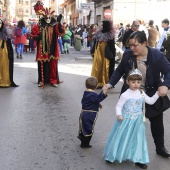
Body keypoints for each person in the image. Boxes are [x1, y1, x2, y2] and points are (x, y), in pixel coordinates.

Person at [105, 31, 170, 158]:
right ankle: (128, 152)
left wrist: (165, 85)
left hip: (151, 93)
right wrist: (110, 84)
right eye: (130, 45)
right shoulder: (128, 55)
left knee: (157, 122)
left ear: (144, 43)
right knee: (131, 126)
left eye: (135, 45)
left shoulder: (157, 56)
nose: (131, 48)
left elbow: (168, 72)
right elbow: (119, 71)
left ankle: (160, 147)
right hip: (131, 95)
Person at [104, 69, 160, 169]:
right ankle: (112, 155)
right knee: (121, 137)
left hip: (138, 121)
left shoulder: (142, 93)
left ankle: (139, 159)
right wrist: (119, 115)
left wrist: (157, 94)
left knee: (138, 139)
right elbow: (119, 106)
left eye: (138, 82)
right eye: (133, 82)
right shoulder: (125, 95)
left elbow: (150, 101)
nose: (136, 84)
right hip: (126, 120)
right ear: (127, 82)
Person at [32, 6, 65, 88]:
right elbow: (33, 35)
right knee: (41, 64)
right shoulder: (39, 25)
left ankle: (53, 80)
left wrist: (59, 22)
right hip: (42, 49)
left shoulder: (55, 25)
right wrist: (38, 37)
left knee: (53, 65)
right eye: (46, 17)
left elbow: (61, 32)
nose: (48, 19)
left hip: (53, 48)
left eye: (49, 17)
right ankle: (41, 80)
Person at [77, 76, 108, 148]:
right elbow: (98, 98)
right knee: (89, 128)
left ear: (85, 85)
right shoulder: (94, 94)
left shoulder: (86, 93)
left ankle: (82, 138)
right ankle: (85, 143)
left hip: (84, 112)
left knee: (84, 126)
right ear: (96, 85)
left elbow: (92, 101)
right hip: (90, 114)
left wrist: (98, 104)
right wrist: (104, 92)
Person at [91, 20, 116, 89]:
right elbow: (95, 43)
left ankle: (104, 82)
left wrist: (112, 55)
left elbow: (112, 46)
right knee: (98, 67)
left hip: (105, 54)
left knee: (105, 67)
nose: (101, 26)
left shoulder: (109, 35)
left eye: (103, 25)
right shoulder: (99, 34)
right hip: (99, 54)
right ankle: (98, 82)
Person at [0, 19, 18, 87]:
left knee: (4, 65)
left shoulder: (5, 32)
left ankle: (4, 81)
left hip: (4, 52)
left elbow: (9, 40)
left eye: (0, 23)